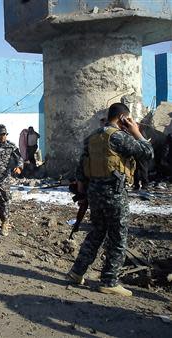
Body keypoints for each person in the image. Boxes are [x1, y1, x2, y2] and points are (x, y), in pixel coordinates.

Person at [67, 103, 154, 297]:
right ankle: (109, 281)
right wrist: (136, 132)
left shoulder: (92, 137)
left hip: (95, 193)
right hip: (114, 193)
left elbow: (81, 169)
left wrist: (82, 195)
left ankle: (76, 272)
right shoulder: (118, 137)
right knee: (118, 236)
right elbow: (148, 153)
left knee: (97, 232)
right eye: (128, 119)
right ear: (123, 118)